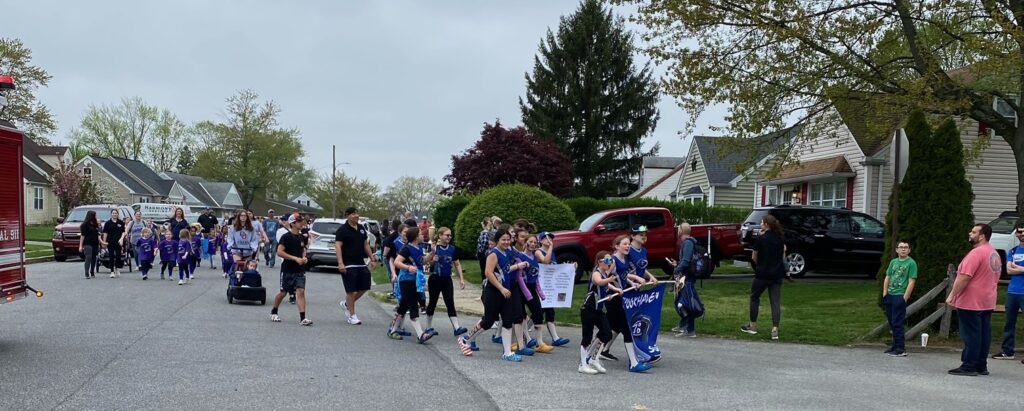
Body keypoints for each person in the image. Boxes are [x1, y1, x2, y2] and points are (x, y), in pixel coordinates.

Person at [456, 228, 531, 362]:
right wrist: (501, 288)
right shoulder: (493, 254)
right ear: (497, 240)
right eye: (503, 240)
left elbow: (507, 268)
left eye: (508, 240)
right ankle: (466, 339)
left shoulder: (508, 252)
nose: (506, 242)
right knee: (488, 321)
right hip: (493, 291)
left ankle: (507, 352)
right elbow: (488, 273)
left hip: (506, 291)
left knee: (507, 320)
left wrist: (520, 265)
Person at [946, 223, 1002, 376]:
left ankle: (969, 366)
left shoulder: (976, 253)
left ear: (982, 236)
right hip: (987, 300)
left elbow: (964, 277)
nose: (970, 234)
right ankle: (981, 365)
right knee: (983, 334)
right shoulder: (994, 253)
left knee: (971, 334)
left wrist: (953, 294)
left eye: (973, 232)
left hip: (971, 300)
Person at [604, 235, 652, 373]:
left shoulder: (624, 259)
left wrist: (632, 283)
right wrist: (613, 289)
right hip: (612, 297)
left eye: (628, 244)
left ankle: (596, 352)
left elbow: (622, 275)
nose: (627, 246)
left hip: (621, 296)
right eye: (624, 244)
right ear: (617, 246)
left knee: (611, 327)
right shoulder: (612, 260)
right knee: (626, 329)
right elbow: (602, 276)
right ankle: (634, 363)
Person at [741, 214, 788, 340]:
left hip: (762, 274)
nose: (761, 224)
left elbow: (754, 256)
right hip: (776, 274)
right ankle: (775, 329)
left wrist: (760, 265)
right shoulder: (780, 239)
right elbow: (782, 255)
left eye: (762, 222)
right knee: (775, 302)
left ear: (766, 224)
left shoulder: (760, 239)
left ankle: (753, 325)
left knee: (754, 297)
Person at [579, 251, 622, 375]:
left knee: (607, 333)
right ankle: (583, 364)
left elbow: (606, 285)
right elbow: (599, 282)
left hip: (598, 310)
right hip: (588, 309)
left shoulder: (604, 274)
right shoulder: (596, 273)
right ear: (599, 262)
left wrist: (615, 290)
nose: (609, 264)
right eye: (607, 261)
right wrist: (610, 279)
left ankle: (593, 358)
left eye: (610, 261)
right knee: (587, 338)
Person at [387, 227, 434, 343]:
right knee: (413, 305)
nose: (423, 235)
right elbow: (397, 262)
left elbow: (422, 261)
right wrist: (408, 267)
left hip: (415, 281)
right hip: (406, 280)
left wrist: (432, 252)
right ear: (416, 237)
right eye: (420, 234)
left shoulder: (419, 247)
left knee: (403, 307)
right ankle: (420, 335)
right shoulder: (406, 249)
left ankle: (392, 330)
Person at [335, 207, 379, 325]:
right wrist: (340, 262)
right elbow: (338, 246)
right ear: (347, 215)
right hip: (348, 263)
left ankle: (346, 304)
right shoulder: (342, 230)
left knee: (365, 285)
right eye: (353, 214)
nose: (356, 215)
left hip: (360, 262)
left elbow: (366, 245)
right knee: (351, 290)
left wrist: (372, 258)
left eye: (357, 213)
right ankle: (352, 316)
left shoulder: (361, 228)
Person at [423, 227, 468, 337]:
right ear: (440, 235)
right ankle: (428, 327)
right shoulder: (435, 248)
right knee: (432, 302)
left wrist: (461, 279)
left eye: (450, 235)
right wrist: (433, 260)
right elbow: (427, 264)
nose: (449, 237)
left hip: (447, 279)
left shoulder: (452, 249)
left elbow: (457, 264)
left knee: (449, 302)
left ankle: (456, 327)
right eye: (447, 235)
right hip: (435, 278)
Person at [270, 213, 312, 326]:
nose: (301, 223)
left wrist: (304, 258)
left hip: (300, 269)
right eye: (298, 222)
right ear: (292, 224)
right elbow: (279, 252)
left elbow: (303, 251)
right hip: (287, 269)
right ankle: (274, 311)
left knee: (301, 291)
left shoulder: (302, 237)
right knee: (283, 292)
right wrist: (295, 258)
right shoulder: (286, 237)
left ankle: (303, 318)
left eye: (302, 221)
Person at [882, 241, 918, 357]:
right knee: (892, 322)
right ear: (896, 250)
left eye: (905, 247)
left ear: (909, 250)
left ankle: (900, 349)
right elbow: (888, 277)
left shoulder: (911, 263)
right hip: (890, 295)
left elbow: (911, 281)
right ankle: (894, 345)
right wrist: (885, 293)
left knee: (897, 323)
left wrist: (905, 297)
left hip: (900, 295)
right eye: (901, 247)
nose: (903, 249)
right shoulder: (893, 262)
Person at [994, 223, 1024, 361]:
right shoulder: (1013, 251)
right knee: (1009, 323)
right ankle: (1007, 351)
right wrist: (1021, 269)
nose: (1022, 234)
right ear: (1016, 234)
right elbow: (1008, 270)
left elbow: (1013, 268)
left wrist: (1017, 268)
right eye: (1020, 232)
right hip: (1013, 292)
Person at [669, 223, 697, 337]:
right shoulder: (686, 242)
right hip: (684, 276)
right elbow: (685, 260)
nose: (677, 230)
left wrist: (676, 270)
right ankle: (684, 324)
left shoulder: (688, 243)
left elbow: (686, 261)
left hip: (687, 277)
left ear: (681, 230)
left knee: (685, 303)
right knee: (679, 301)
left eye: (678, 228)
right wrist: (677, 264)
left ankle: (690, 330)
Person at [101, 209, 127, 278]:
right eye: (113, 213)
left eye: (116, 213)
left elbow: (123, 232)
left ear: (118, 214)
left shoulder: (121, 222)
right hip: (110, 242)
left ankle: (117, 268)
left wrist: (122, 239)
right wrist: (104, 242)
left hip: (118, 242)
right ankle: (112, 271)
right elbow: (105, 233)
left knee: (118, 256)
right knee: (111, 256)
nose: (114, 214)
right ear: (111, 214)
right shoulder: (108, 223)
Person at [382, 221, 402, 298]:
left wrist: (384, 256)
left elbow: (386, 248)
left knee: (392, 274)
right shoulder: (399, 236)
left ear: (393, 226)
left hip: (391, 257)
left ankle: (395, 291)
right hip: (399, 258)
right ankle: (397, 291)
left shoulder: (391, 237)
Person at [78, 210, 101, 279]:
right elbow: (82, 236)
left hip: (95, 243)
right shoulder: (84, 225)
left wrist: (101, 242)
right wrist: (80, 246)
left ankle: (92, 271)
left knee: (94, 258)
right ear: (91, 216)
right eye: (95, 215)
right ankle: (86, 272)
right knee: (88, 257)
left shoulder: (95, 224)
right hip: (87, 243)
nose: (96, 216)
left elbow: (98, 234)